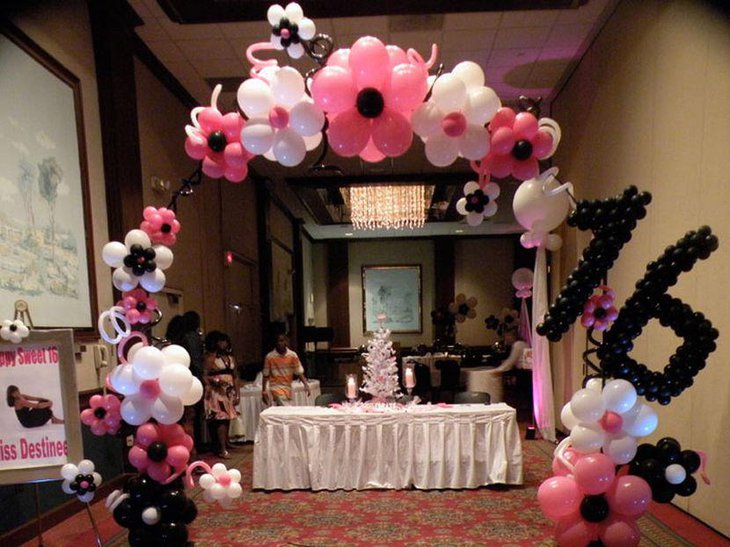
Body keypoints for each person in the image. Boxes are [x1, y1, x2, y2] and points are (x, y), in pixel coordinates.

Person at [203, 331, 240, 459]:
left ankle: (226, 442)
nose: (223, 344)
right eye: (221, 341)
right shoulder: (211, 357)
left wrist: (237, 393)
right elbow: (205, 375)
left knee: (227, 418)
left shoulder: (230, 358)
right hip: (216, 391)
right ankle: (222, 448)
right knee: (221, 419)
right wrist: (214, 381)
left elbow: (235, 376)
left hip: (228, 390)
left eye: (225, 341)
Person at [179, 311, 205, 451]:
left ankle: (190, 448)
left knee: (187, 417)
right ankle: (194, 449)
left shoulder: (180, 337)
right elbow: (196, 361)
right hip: (193, 379)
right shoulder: (192, 337)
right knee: (192, 417)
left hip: (181, 379)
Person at [263, 334, 310, 406]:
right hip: (275, 387)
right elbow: (265, 375)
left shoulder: (292, 355)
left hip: (287, 387)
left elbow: (298, 371)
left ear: (286, 342)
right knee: (285, 406)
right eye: (277, 341)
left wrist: (306, 385)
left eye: (281, 341)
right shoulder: (270, 357)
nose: (279, 343)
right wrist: (263, 391)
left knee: (282, 410)